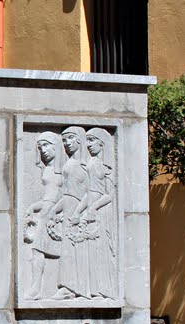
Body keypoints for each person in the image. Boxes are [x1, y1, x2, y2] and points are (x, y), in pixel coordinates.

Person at [50, 126, 91, 300]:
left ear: (79, 140)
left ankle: (76, 288)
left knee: (76, 249)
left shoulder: (85, 165)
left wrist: (78, 212)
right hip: (68, 206)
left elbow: (91, 193)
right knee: (66, 249)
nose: (66, 143)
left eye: (70, 138)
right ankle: (67, 286)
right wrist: (55, 209)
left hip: (76, 209)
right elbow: (66, 192)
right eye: (64, 139)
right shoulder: (69, 163)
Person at [23, 131, 64, 300]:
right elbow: (48, 196)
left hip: (60, 213)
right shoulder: (47, 169)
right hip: (47, 211)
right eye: (40, 147)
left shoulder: (65, 169)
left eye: (46, 145)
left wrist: (55, 212)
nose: (43, 151)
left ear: (55, 146)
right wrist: (33, 207)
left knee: (62, 251)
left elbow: (68, 195)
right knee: (37, 250)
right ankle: (36, 288)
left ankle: (65, 287)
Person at [82, 127, 117, 298]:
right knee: (90, 251)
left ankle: (105, 289)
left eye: (91, 140)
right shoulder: (90, 162)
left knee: (101, 249)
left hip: (101, 211)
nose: (88, 145)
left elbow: (109, 195)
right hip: (90, 209)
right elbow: (87, 191)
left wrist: (94, 207)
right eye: (86, 141)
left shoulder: (106, 166)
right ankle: (93, 289)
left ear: (101, 143)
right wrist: (80, 210)